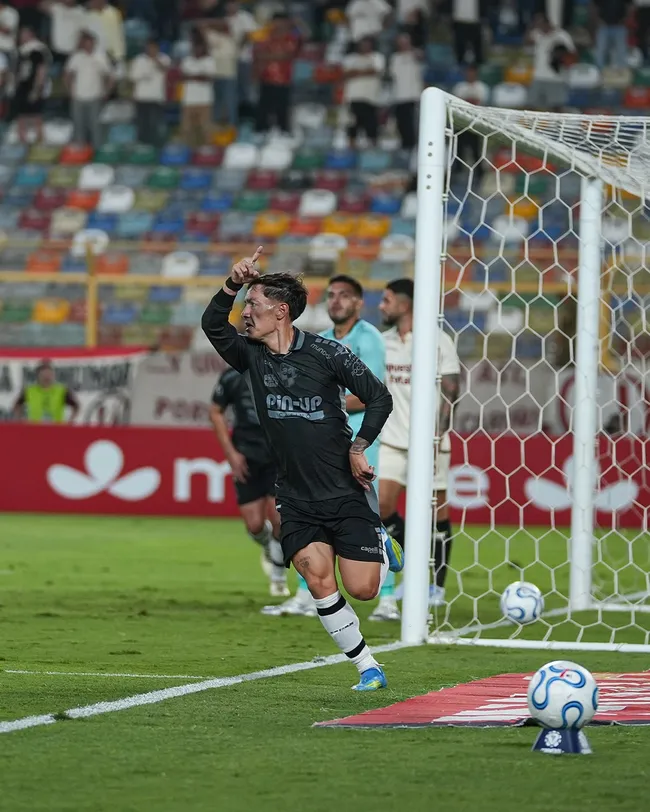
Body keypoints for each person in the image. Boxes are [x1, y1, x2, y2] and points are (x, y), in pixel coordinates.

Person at [202, 248, 403, 691]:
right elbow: (212, 325)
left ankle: (378, 536)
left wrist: (360, 445)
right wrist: (233, 284)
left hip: (343, 489)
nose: (245, 313)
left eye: (252, 305)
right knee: (317, 578)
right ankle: (367, 666)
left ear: (281, 311)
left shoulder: (328, 353)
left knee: (364, 589)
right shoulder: (250, 355)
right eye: (245, 304)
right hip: (294, 495)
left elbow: (380, 397)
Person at [265, 275, 394, 619]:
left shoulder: (370, 339)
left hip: (361, 443)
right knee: (310, 520)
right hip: (319, 448)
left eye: (344, 296)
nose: (335, 301)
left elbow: (370, 394)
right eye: (332, 295)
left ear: (357, 303)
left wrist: (318, 402)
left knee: (367, 518)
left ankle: (390, 597)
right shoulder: (318, 341)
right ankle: (308, 594)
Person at [378, 278, 460, 613]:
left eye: (386, 300)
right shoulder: (381, 342)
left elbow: (452, 392)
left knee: (436, 511)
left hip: (430, 442)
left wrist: (437, 437)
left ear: (404, 303)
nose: (381, 306)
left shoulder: (438, 341)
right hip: (392, 440)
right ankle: (409, 572)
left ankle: (436, 586)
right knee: (380, 508)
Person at [210, 367, 289, 598]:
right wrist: (231, 454)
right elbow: (215, 411)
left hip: (279, 456)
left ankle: (278, 578)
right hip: (246, 455)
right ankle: (267, 547)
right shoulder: (232, 376)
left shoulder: (285, 370)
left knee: (279, 518)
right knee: (255, 525)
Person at [253, 13, 302, 135]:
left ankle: (283, 134)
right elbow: (257, 54)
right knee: (263, 108)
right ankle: (261, 133)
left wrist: (267, 56)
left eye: (281, 22)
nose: (277, 25)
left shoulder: (290, 38)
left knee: (282, 109)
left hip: (283, 79)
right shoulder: (266, 37)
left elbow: (287, 55)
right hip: (266, 78)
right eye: (275, 22)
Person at [65, 30, 113, 148]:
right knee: (79, 125)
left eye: (90, 42)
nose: (88, 45)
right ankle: (81, 151)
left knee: (96, 126)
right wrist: (70, 90)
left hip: (95, 96)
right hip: (78, 97)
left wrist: (106, 91)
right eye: (86, 43)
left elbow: (110, 76)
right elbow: (67, 75)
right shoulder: (76, 57)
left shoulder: (101, 57)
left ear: (94, 43)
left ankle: (97, 151)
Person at [10, 26, 52, 144]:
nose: (21, 36)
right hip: (22, 86)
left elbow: (41, 70)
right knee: (21, 117)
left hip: (33, 86)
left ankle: (39, 142)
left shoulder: (38, 49)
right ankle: (22, 142)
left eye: (24, 34)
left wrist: (37, 89)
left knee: (36, 116)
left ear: (30, 34)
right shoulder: (21, 50)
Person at [526, 12, 575, 112]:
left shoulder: (561, 35)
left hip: (555, 78)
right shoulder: (537, 34)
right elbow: (526, 42)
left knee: (557, 108)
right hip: (538, 76)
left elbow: (572, 55)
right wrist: (530, 28)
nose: (539, 26)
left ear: (547, 23)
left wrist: (559, 55)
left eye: (540, 24)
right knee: (530, 107)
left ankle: (559, 127)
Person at [343, 37, 385, 147]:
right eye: (363, 44)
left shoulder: (377, 57)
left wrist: (357, 72)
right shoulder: (350, 58)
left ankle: (373, 149)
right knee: (352, 125)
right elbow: (346, 73)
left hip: (370, 98)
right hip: (353, 97)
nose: (365, 47)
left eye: (367, 44)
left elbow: (376, 70)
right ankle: (351, 150)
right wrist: (366, 70)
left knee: (371, 125)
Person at [180, 28, 217, 148]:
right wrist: (199, 76)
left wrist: (192, 76)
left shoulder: (209, 61)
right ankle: (188, 151)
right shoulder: (187, 61)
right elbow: (182, 77)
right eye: (195, 47)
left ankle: (205, 151)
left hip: (204, 100)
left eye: (200, 47)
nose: (197, 50)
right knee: (187, 128)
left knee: (205, 128)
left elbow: (208, 78)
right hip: (189, 100)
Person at [129, 38, 170, 147]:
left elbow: (166, 69)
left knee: (155, 125)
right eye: (149, 47)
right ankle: (141, 147)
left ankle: (156, 148)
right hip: (141, 97)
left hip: (157, 97)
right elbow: (133, 78)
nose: (151, 49)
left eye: (153, 47)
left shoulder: (164, 58)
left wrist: (155, 59)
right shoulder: (139, 60)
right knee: (142, 125)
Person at [12, 360, 80, 423]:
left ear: (53, 375)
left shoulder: (62, 390)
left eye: (49, 375)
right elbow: (17, 405)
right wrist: (19, 420)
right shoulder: (29, 390)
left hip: (56, 430)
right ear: (38, 376)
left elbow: (76, 406)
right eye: (44, 376)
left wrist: (71, 420)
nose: (47, 378)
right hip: (34, 430)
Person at [389, 32, 423, 151]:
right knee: (402, 126)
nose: (403, 45)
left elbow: (421, 56)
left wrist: (411, 49)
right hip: (399, 97)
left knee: (412, 126)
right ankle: (405, 149)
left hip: (412, 97)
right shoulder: (395, 58)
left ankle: (414, 148)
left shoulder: (415, 54)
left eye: (405, 42)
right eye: (401, 42)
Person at [593, 0, 628, 69]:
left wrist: (626, 19)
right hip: (604, 26)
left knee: (621, 51)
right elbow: (594, 5)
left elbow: (630, 5)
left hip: (619, 26)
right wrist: (597, 20)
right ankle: (599, 72)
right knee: (600, 51)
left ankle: (622, 73)